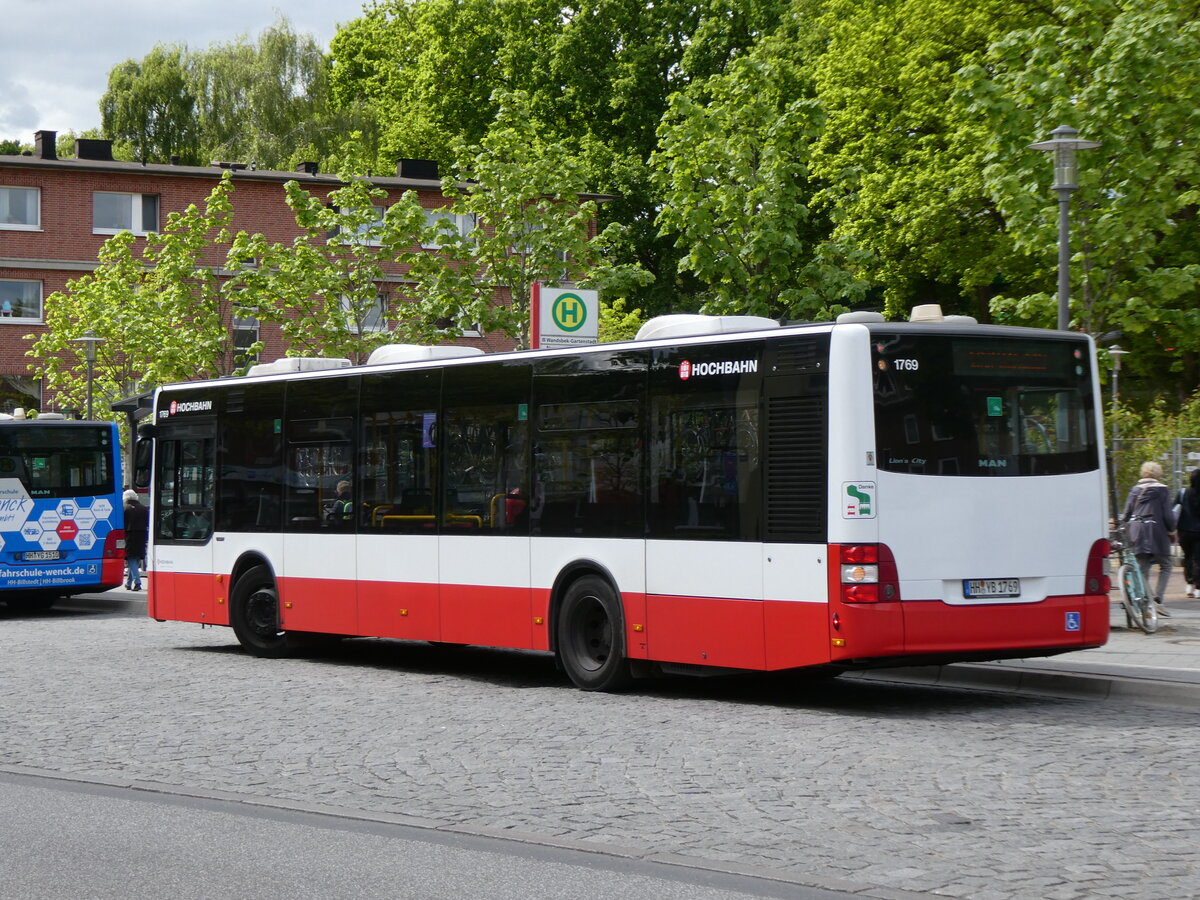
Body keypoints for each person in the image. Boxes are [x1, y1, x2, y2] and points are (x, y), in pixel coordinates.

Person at [1121, 461, 1176, 617]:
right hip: (1157, 531)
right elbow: (1168, 515)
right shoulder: (1163, 490)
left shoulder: (1135, 490)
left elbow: (1126, 514)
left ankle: (1147, 604)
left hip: (1138, 532)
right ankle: (1158, 599)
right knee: (1166, 564)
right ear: (1158, 474)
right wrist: (1172, 531)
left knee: (1142, 568)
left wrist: (1125, 526)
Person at [1174, 468, 1200, 599]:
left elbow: (1174, 510)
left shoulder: (1183, 492)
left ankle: (1189, 584)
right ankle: (1198, 587)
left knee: (1188, 557)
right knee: (1198, 559)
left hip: (1184, 531)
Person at [123, 489, 148, 591]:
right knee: (135, 559)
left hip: (130, 536)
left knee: (131, 559)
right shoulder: (144, 508)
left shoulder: (125, 508)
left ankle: (137, 582)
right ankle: (128, 583)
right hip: (142, 536)